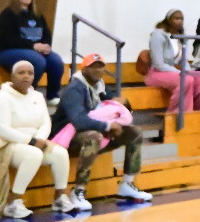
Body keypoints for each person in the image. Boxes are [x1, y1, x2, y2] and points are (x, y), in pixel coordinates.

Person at [58, 54, 152, 208]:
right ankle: (78, 191)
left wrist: (122, 107)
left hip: (95, 134)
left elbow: (118, 108)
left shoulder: (101, 87)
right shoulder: (74, 89)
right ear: (85, 69)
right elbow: (79, 121)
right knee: (93, 136)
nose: (98, 70)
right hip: (67, 138)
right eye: (94, 66)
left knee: (134, 132)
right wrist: (107, 127)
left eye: (101, 66)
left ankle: (127, 184)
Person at [0, 60, 76, 218]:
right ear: (12, 76)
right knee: (34, 154)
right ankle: (13, 203)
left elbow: (46, 122)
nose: (26, 76)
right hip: (3, 144)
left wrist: (39, 139)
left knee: (60, 152)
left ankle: (60, 197)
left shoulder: (38, 96)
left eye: (30, 73)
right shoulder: (2, 98)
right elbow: (2, 129)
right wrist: (32, 142)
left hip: (33, 142)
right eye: (21, 73)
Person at [0, 0, 65, 101]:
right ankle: (27, 94)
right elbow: (8, 38)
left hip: (33, 50)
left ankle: (52, 96)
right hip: (6, 51)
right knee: (37, 60)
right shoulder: (8, 14)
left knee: (56, 61)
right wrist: (33, 46)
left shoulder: (37, 15)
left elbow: (46, 34)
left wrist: (46, 46)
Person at [147, 10, 200, 113]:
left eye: (181, 19)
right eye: (176, 18)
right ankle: (178, 114)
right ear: (168, 20)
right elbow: (158, 64)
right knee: (186, 79)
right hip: (158, 72)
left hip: (174, 72)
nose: (179, 21)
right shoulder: (158, 35)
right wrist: (179, 72)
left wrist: (187, 70)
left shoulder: (181, 36)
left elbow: (182, 60)